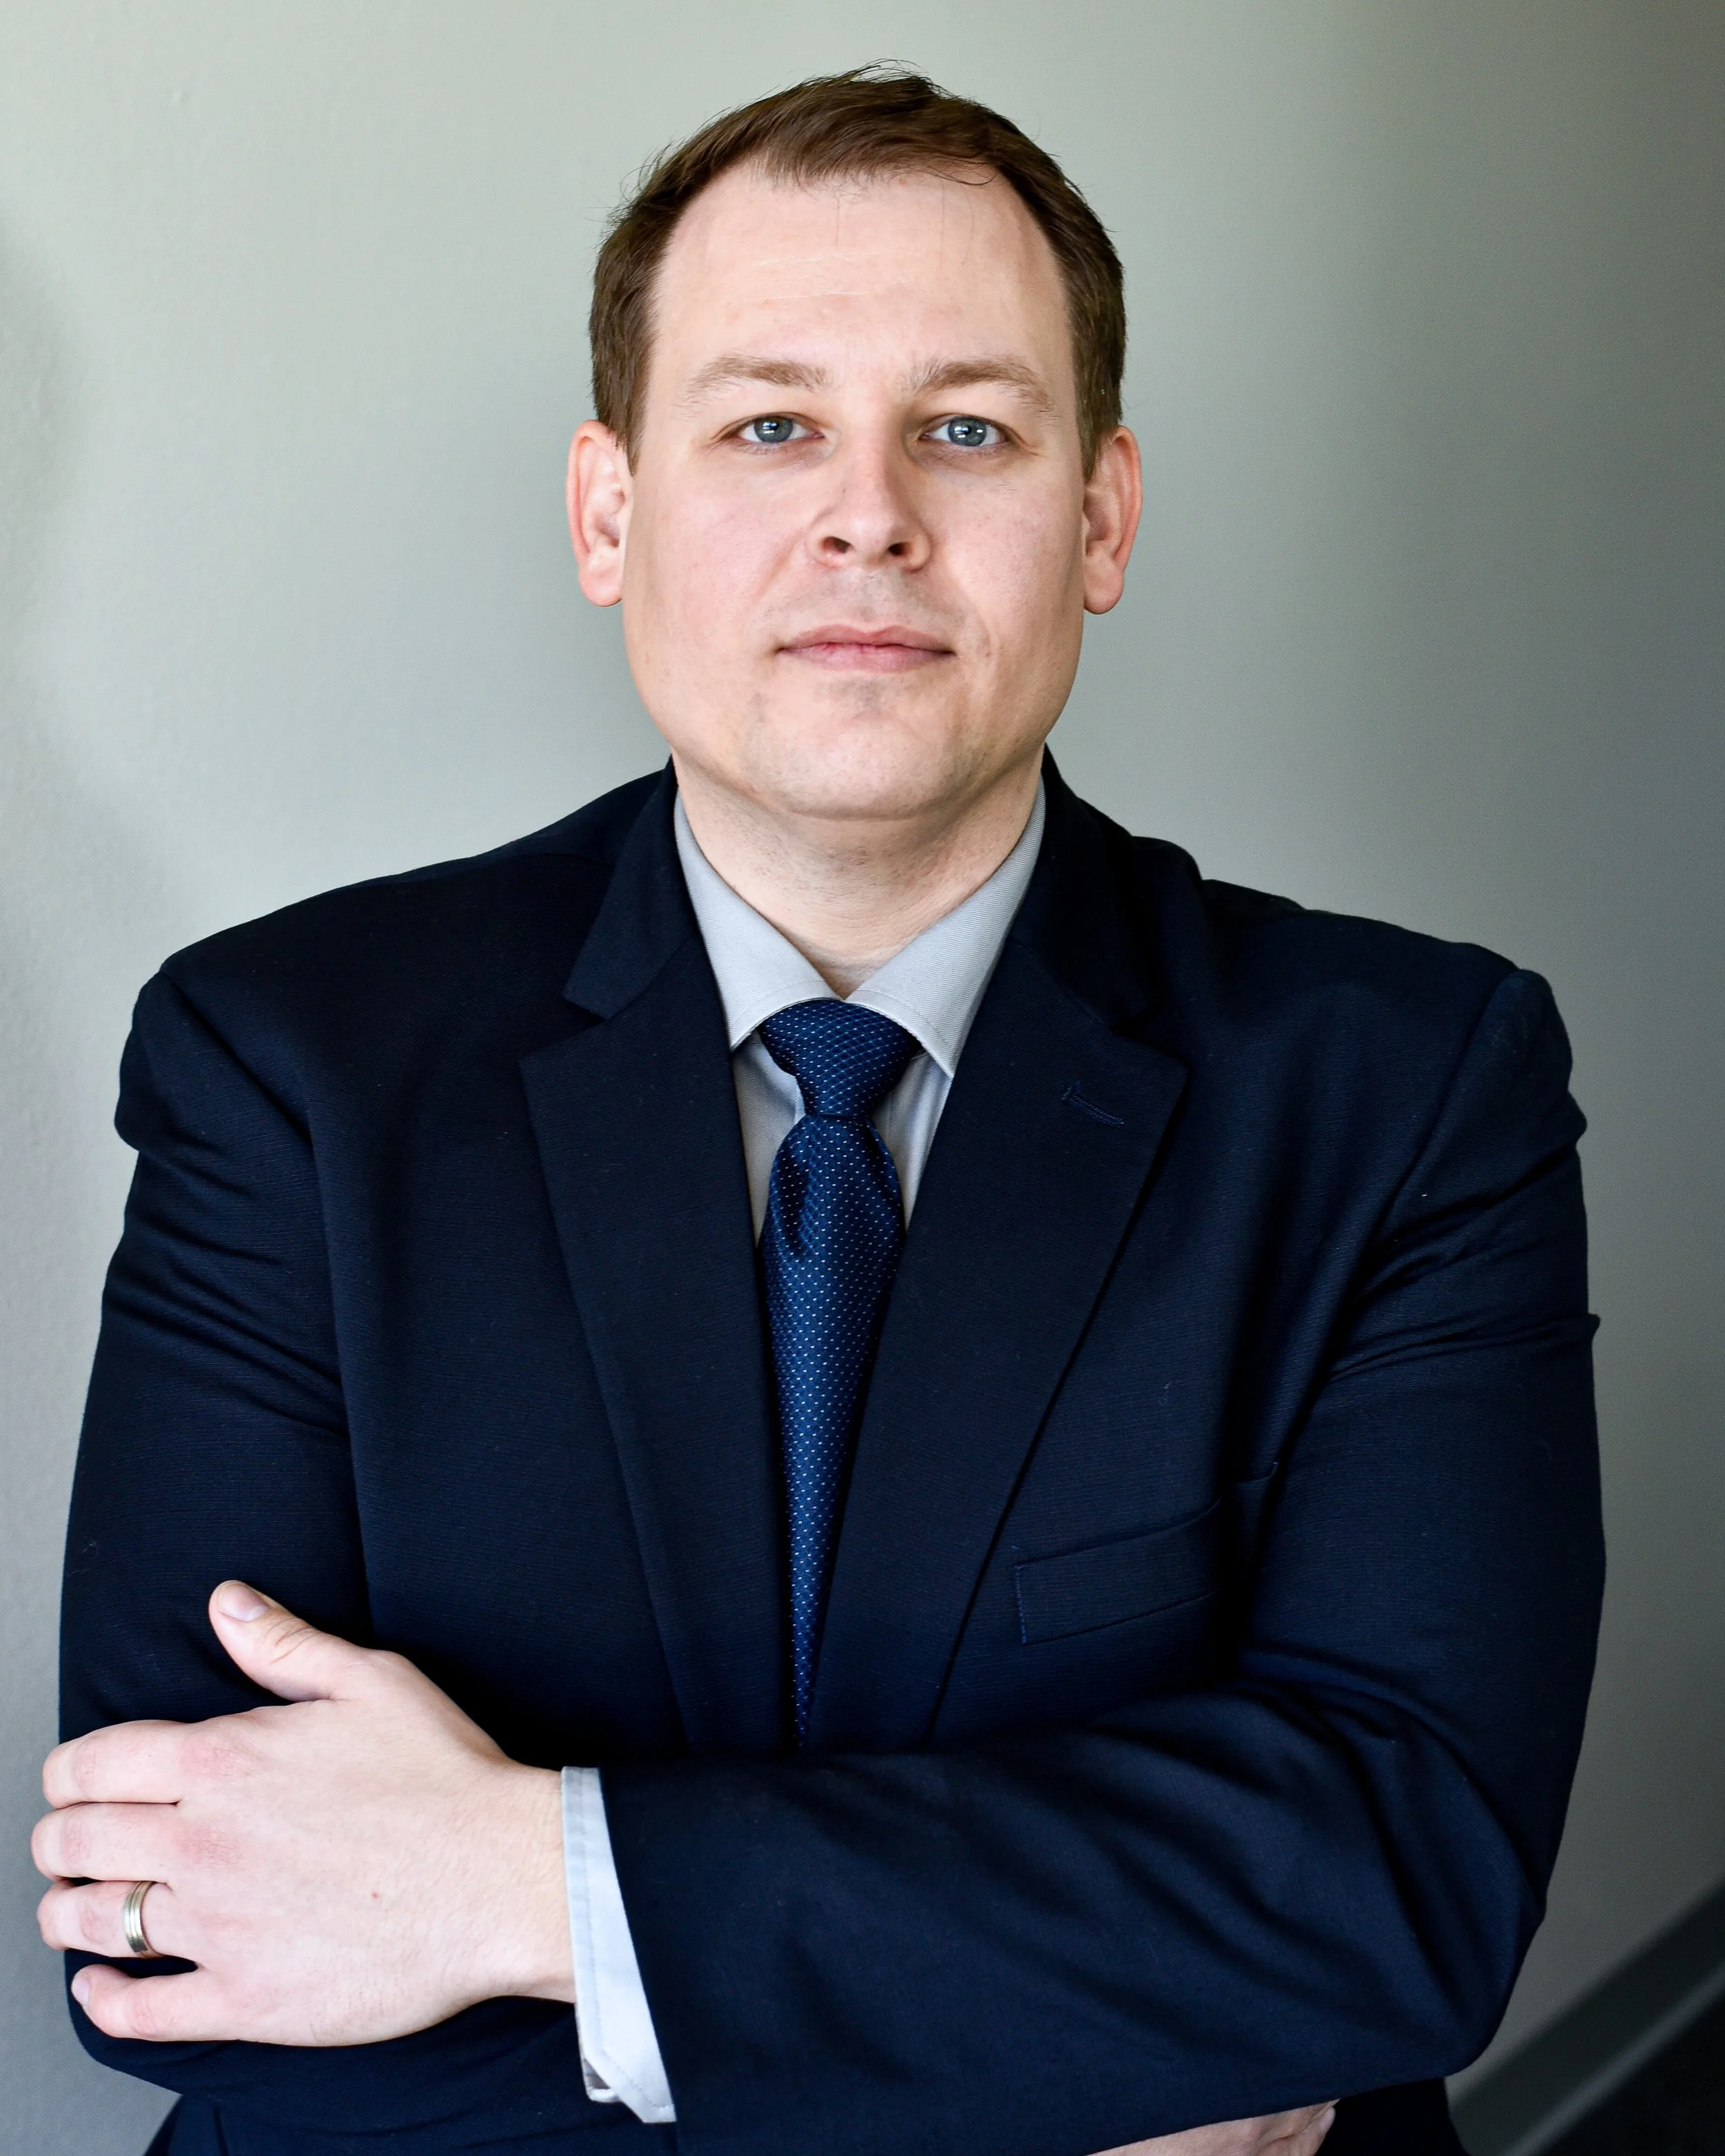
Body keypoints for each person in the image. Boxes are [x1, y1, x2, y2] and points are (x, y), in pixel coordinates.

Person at [34, 67, 1603, 2156]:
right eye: (769, 422)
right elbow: (175, 1928)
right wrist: (1108, 2024)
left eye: (966, 427)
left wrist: (512, 1883)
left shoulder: (1408, 1086)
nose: (867, 509)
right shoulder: (286, 1066)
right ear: (608, 512)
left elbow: (1396, 1892)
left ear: (1103, 515)